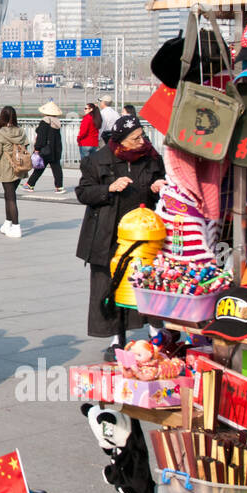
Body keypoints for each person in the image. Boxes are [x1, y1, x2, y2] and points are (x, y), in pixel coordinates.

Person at [75, 114, 166, 361]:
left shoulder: (151, 157)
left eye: (142, 135)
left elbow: (160, 182)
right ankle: (117, 338)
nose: (142, 140)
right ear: (121, 141)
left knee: (147, 281)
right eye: (136, 137)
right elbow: (83, 193)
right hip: (108, 232)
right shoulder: (97, 160)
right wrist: (109, 188)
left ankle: (158, 331)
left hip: (142, 231)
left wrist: (158, 185)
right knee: (110, 285)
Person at [0, 106, 29, 239]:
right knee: (9, 195)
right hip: (19, 166)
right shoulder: (21, 131)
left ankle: (16, 226)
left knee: (10, 197)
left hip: (7, 167)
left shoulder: (1, 133)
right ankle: (7, 223)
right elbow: (26, 146)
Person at [25, 101, 65, 194]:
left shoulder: (45, 121)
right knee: (56, 169)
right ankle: (59, 187)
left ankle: (30, 185)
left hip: (46, 150)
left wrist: (37, 148)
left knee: (39, 167)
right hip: (55, 150)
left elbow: (41, 137)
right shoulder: (57, 122)